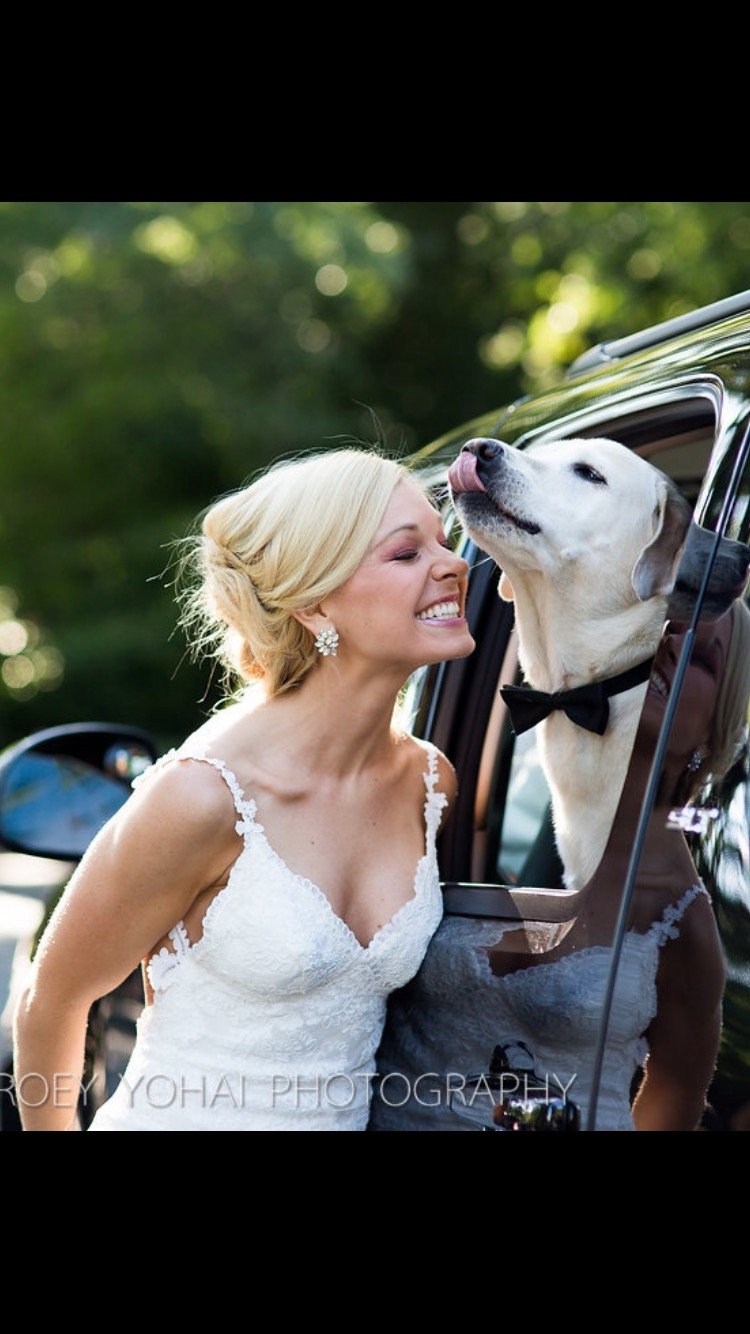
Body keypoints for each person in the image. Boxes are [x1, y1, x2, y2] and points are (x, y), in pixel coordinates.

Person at [13, 447, 475, 1131]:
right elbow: (50, 1001)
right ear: (316, 606)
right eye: (407, 553)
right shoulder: (203, 796)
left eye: (444, 541)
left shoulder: (429, 782)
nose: (454, 563)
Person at [370, 596, 750, 1132]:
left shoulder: (685, 923)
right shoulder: (445, 792)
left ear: (713, 731)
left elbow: (672, 1101)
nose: (670, 650)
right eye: (663, 627)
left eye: (704, 658)